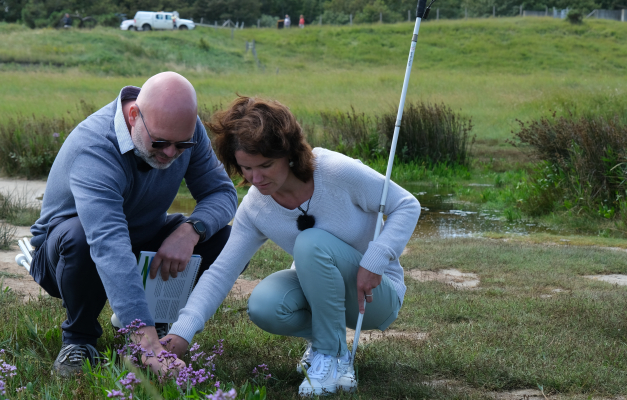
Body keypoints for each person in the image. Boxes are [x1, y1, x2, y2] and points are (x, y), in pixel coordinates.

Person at [170, 97, 421, 396]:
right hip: (321, 294)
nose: (256, 179)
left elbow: (406, 204)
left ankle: (328, 355)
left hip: (373, 297)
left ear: (288, 153)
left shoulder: (335, 171)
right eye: (246, 168)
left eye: (266, 165)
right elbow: (221, 272)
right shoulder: (254, 208)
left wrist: (375, 261)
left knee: (311, 241)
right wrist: (180, 334)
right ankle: (333, 348)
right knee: (264, 305)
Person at [29, 71, 238, 378]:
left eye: (182, 145)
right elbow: (108, 244)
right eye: (160, 142)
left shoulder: (185, 132)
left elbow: (222, 192)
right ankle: (80, 338)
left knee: (222, 239)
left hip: (138, 239)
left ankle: (154, 315)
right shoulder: (95, 147)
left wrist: (191, 230)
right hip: (68, 258)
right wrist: (145, 341)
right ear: (132, 116)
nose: (170, 153)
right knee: (80, 236)